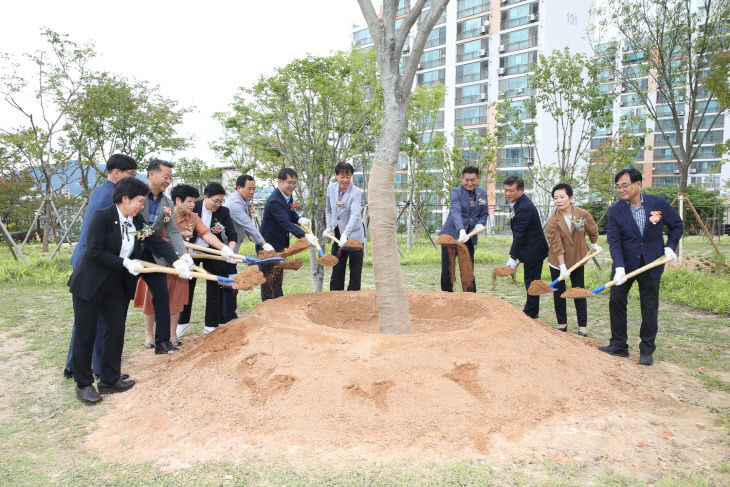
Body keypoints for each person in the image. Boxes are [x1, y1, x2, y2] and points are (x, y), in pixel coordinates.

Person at [68, 177, 183, 404]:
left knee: (116, 329)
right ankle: (83, 384)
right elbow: (94, 251)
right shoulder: (102, 217)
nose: (142, 206)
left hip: (115, 286)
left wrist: (176, 260)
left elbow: (154, 242)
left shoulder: (135, 220)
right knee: (86, 332)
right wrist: (125, 262)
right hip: (90, 284)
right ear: (124, 199)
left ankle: (110, 378)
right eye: (139, 201)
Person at [64, 154, 138, 380]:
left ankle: (73, 366)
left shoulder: (101, 190)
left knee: (88, 321)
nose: (132, 179)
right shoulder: (111, 196)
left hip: (95, 258)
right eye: (130, 175)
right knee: (94, 321)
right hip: (95, 261)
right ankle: (96, 367)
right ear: (116, 173)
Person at [600, 168, 683, 365]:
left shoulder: (658, 203)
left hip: (652, 263)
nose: (621, 190)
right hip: (625, 264)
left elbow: (677, 225)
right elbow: (614, 241)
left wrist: (670, 247)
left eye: (625, 185)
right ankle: (619, 345)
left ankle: (647, 349)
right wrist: (619, 267)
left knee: (649, 305)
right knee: (617, 301)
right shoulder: (616, 210)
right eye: (618, 186)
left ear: (638, 184)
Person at [135, 184, 230, 344]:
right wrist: (175, 239)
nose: (193, 205)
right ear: (177, 201)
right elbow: (151, 236)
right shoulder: (165, 213)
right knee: (151, 298)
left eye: (194, 202)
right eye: (189, 202)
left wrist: (224, 248)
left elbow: (206, 233)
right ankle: (149, 335)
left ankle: (173, 335)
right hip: (157, 261)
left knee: (177, 300)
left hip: (180, 264)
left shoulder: (193, 218)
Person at [139, 160, 192, 354]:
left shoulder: (166, 202)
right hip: (131, 252)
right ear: (151, 175)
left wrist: (183, 255)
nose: (168, 181)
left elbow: (173, 232)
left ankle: (162, 341)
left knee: (161, 294)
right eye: (165, 176)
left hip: (154, 252)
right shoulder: (135, 195)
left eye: (170, 178)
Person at [178, 182, 238, 334]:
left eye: (221, 201)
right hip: (192, 251)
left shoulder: (223, 212)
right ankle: (182, 322)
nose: (218, 204)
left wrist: (229, 250)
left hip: (213, 251)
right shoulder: (193, 207)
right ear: (206, 197)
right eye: (215, 201)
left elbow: (232, 234)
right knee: (187, 285)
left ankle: (211, 324)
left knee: (214, 285)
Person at [544, 183, 601, 336]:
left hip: (577, 259)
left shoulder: (582, 214)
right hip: (557, 262)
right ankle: (562, 324)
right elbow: (556, 245)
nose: (559, 200)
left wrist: (594, 244)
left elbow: (593, 229)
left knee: (578, 290)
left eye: (562, 197)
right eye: (555, 198)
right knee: (559, 292)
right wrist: (562, 266)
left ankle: (583, 326)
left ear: (570, 198)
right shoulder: (553, 221)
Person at [220, 175, 275, 322]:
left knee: (229, 281)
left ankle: (226, 314)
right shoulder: (234, 204)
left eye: (253, 189)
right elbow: (247, 225)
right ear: (239, 188)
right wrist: (264, 243)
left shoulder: (242, 201)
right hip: (225, 249)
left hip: (233, 248)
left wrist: (252, 238)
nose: (252, 192)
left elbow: (245, 227)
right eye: (249, 189)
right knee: (230, 282)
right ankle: (228, 316)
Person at [258, 168, 318, 301]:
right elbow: (284, 222)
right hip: (267, 246)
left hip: (279, 245)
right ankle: (267, 312)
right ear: (280, 182)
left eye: (295, 183)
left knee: (277, 279)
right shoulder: (275, 200)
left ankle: (279, 308)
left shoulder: (288, 196)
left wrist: (298, 219)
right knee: (268, 281)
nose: (292, 186)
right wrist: (304, 235)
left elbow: (290, 214)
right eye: (289, 182)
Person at [437, 166, 489, 293]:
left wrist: (480, 224)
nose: (470, 183)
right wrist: (460, 230)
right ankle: (447, 295)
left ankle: (470, 295)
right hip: (450, 235)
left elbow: (484, 213)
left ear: (478, 178)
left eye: (473, 180)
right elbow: (455, 211)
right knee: (448, 268)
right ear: (462, 179)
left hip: (469, 237)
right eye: (467, 180)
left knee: (468, 267)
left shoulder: (482, 193)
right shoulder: (456, 192)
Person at [503, 175, 548, 319]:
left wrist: (512, 257)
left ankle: (531, 313)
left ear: (520, 189)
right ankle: (531, 310)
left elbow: (520, 233)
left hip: (534, 249)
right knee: (530, 281)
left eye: (511, 190)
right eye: (505, 190)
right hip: (528, 248)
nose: (508, 194)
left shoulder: (525, 207)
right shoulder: (517, 203)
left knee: (532, 282)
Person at [323, 162, 366, 291]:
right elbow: (329, 210)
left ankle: (352, 300)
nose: (345, 180)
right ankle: (335, 298)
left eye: (348, 177)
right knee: (337, 269)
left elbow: (355, 215)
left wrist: (345, 234)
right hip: (337, 233)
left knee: (355, 271)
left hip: (354, 236)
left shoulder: (356, 192)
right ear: (336, 176)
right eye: (342, 176)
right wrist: (329, 227)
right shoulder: (331, 188)